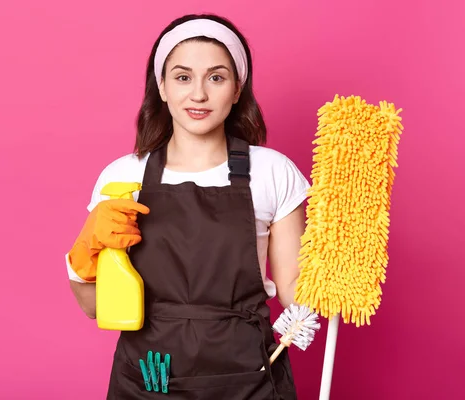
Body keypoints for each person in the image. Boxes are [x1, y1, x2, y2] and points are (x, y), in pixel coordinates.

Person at [66, 13, 310, 399]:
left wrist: (342, 271)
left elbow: (295, 291)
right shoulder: (123, 178)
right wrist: (82, 259)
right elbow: (95, 307)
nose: (198, 94)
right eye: (182, 77)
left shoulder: (273, 171)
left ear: (236, 89)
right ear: (161, 87)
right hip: (148, 381)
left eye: (216, 77)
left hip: (248, 380)